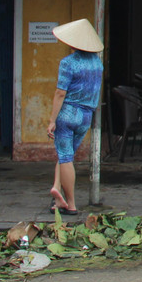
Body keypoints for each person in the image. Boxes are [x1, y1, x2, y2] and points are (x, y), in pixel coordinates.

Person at [47, 18, 104, 216]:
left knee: (65, 156)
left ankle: (69, 204)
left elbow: (60, 93)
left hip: (69, 113)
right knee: (66, 155)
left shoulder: (68, 63)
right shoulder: (97, 63)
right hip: (86, 115)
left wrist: (52, 120)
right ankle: (57, 191)